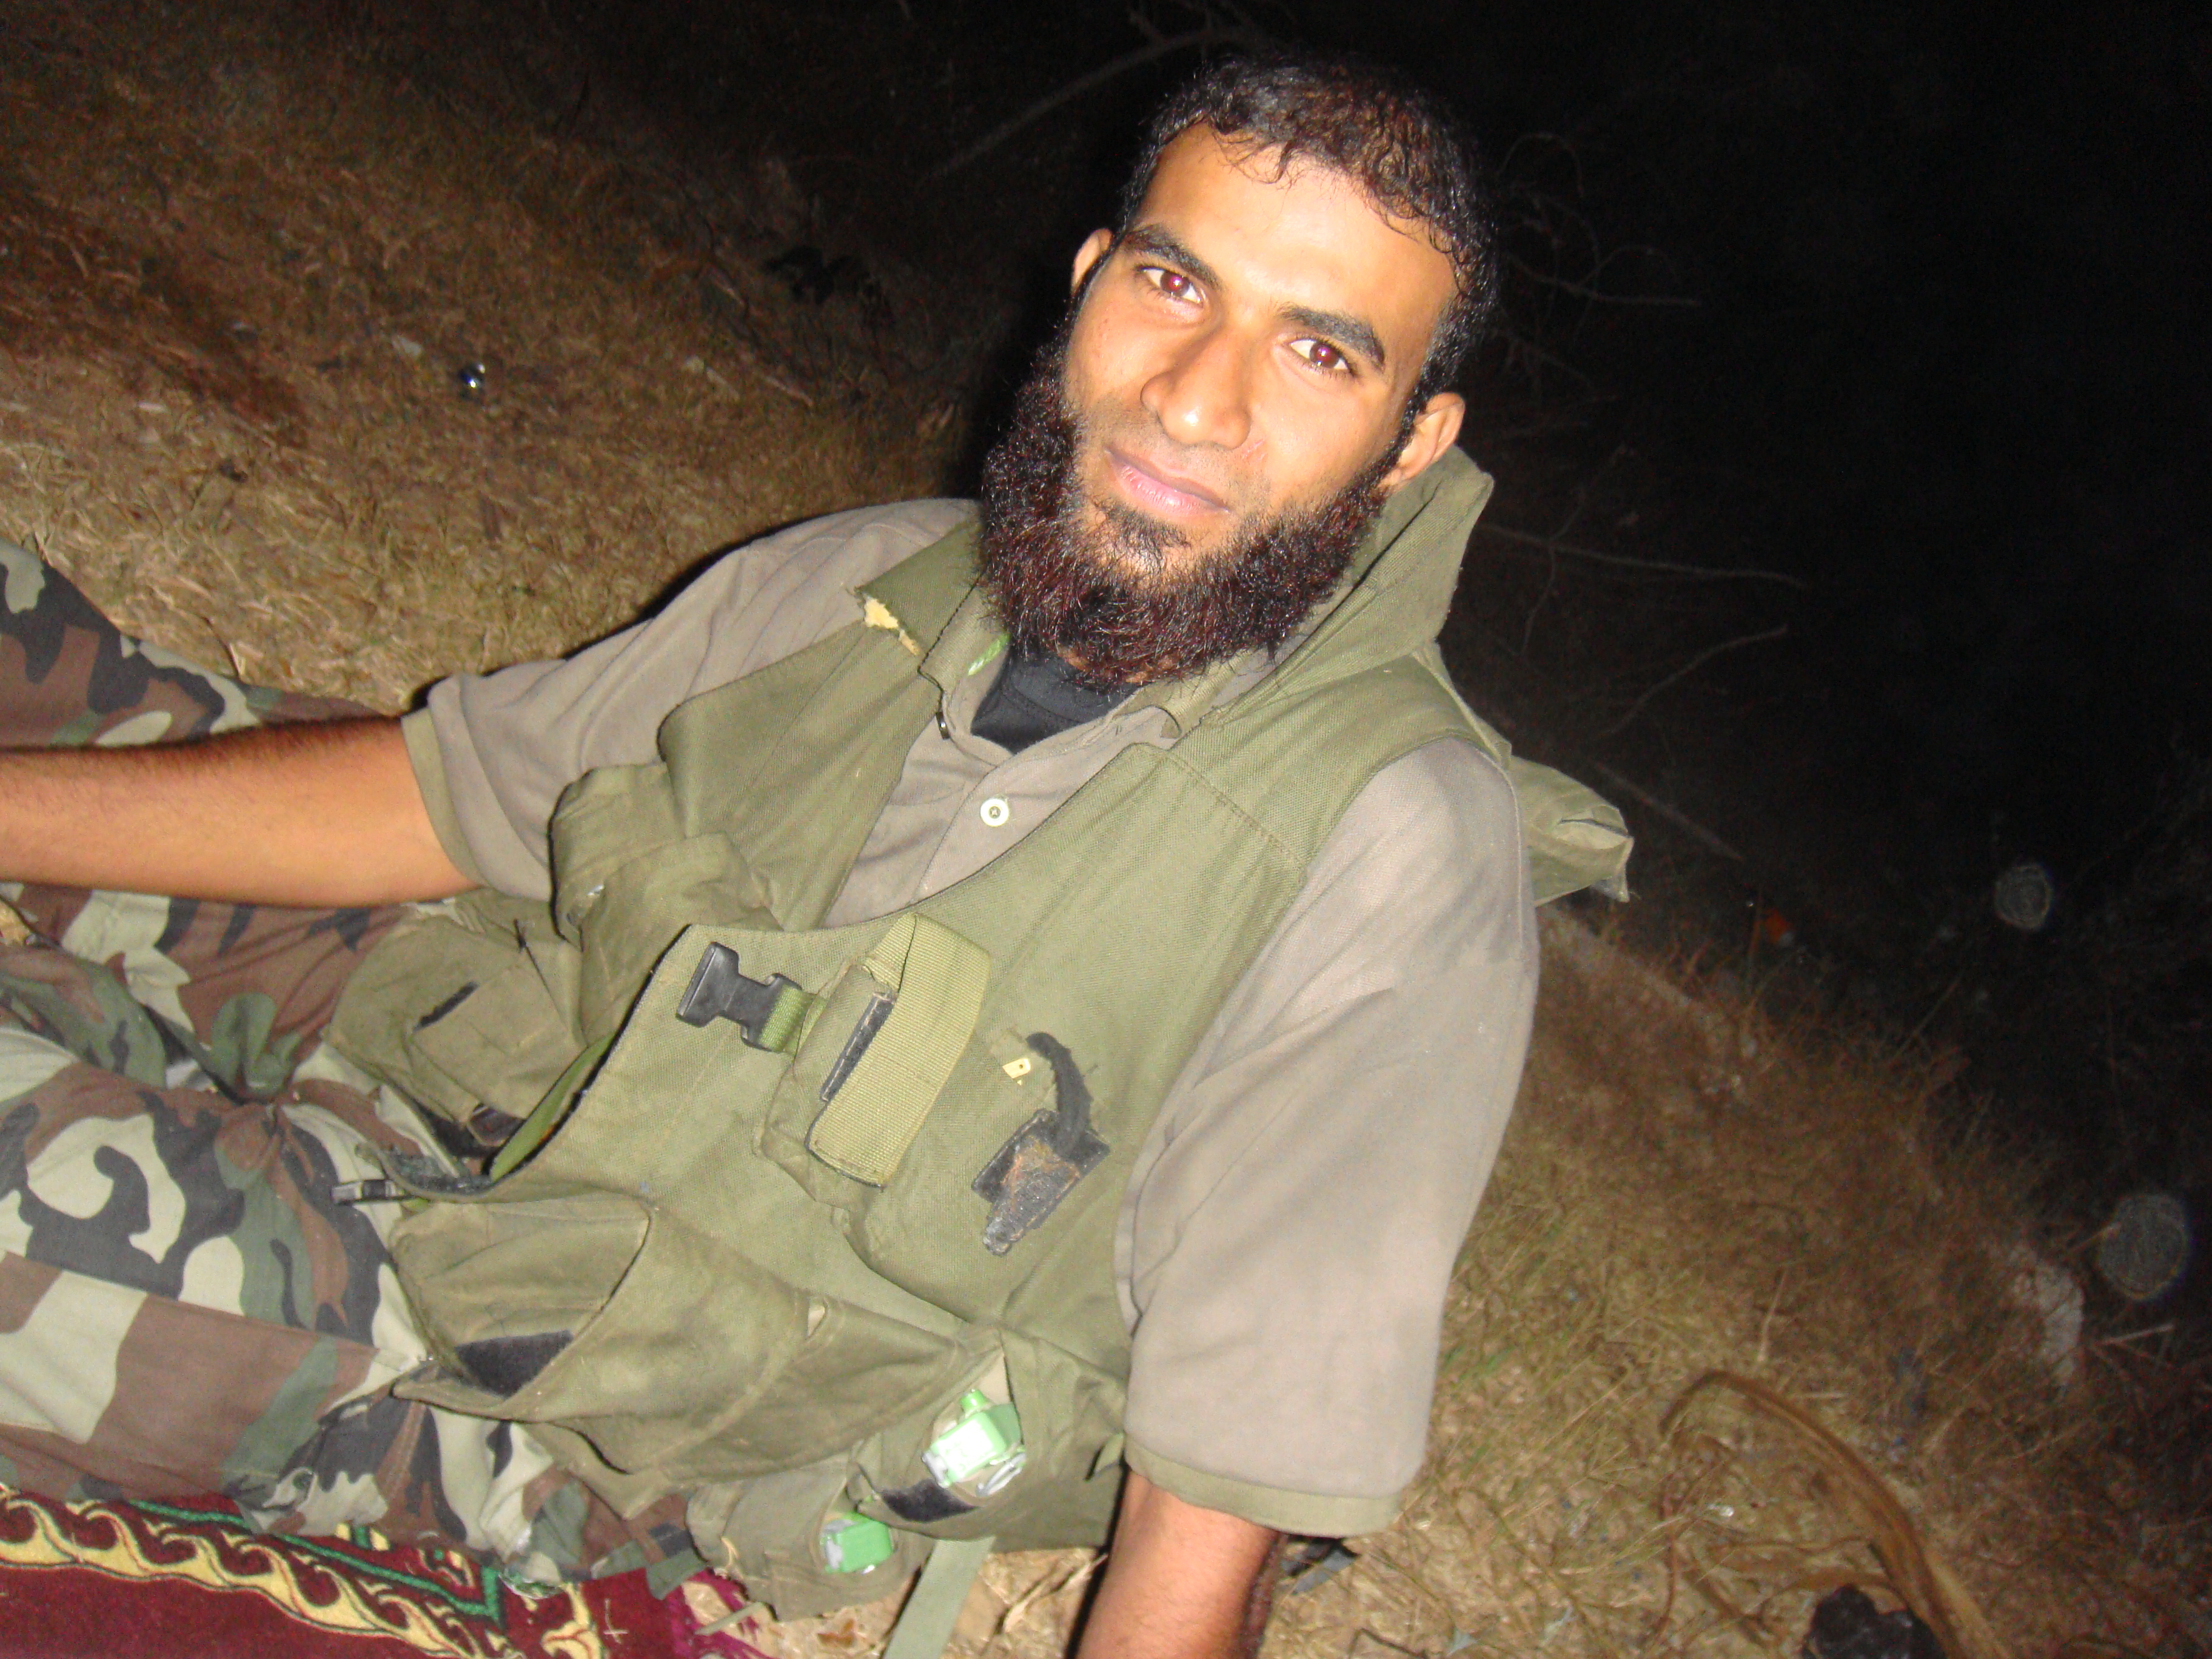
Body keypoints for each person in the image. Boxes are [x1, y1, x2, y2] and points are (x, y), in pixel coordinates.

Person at [0, 52, 1624, 1659]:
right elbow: (443, 799)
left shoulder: (1391, 852)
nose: (1197, 397)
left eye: (1321, 352)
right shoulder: (891, 575)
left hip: (556, 1388)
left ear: (1411, 442)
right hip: (466, 1025)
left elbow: (1214, 1516)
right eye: (1174, 281)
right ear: (1088, 283)